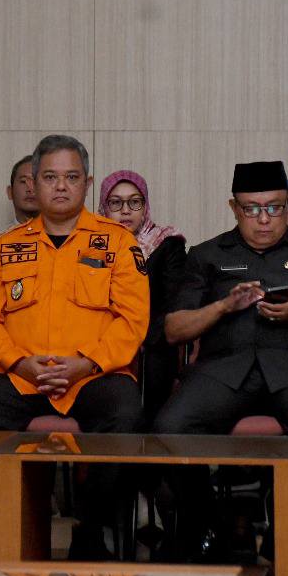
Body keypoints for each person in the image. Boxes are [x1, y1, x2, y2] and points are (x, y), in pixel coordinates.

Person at [0, 135, 149, 559]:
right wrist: (20, 362)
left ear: (88, 183)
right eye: (50, 177)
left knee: (126, 417)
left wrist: (86, 364)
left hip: (94, 376)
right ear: (33, 183)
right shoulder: (7, 246)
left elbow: (133, 321)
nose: (61, 186)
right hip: (23, 376)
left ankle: (91, 530)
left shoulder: (119, 242)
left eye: (72, 177)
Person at [153, 162, 288, 560]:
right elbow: (175, 330)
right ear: (234, 208)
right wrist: (222, 306)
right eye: (252, 209)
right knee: (169, 428)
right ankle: (207, 523)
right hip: (223, 371)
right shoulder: (207, 255)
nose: (264, 219)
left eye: (275, 208)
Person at [97, 169, 185, 419]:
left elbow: (172, 301)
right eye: (116, 203)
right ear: (103, 207)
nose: (126, 211)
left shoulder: (167, 243)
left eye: (134, 202)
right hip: (101, 335)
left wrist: (136, 336)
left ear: (145, 206)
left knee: (155, 359)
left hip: (152, 337)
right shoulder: (90, 244)